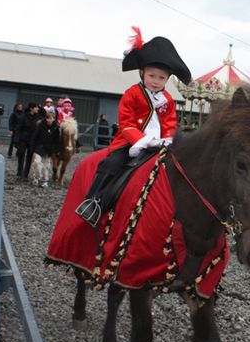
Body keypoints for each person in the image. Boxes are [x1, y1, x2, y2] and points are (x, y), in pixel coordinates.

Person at [75, 27, 191, 228]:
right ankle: (93, 202)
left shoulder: (168, 100)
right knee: (112, 164)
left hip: (161, 143)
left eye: (161, 78)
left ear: (167, 79)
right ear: (142, 72)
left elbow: (170, 123)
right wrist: (142, 141)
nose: (156, 81)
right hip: (131, 142)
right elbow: (126, 123)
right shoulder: (132, 94)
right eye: (152, 76)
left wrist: (168, 139)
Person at [29, 110, 60, 187]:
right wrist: (32, 147)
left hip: (49, 150)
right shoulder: (40, 125)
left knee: (46, 166)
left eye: (51, 118)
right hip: (39, 148)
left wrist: (56, 150)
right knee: (37, 163)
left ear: (54, 119)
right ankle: (36, 178)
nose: (49, 120)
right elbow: (34, 136)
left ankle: (45, 181)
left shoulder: (56, 128)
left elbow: (57, 140)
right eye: (48, 118)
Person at [15, 102, 41, 178]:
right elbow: (18, 128)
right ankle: (19, 172)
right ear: (31, 108)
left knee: (29, 157)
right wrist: (16, 139)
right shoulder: (23, 117)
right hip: (23, 139)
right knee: (21, 155)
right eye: (36, 107)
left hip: (32, 140)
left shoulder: (38, 118)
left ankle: (26, 173)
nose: (37, 109)